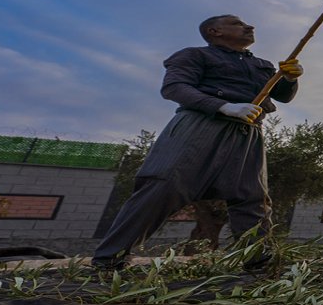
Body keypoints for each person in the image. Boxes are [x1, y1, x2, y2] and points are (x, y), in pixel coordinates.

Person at [91, 15, 303, 271]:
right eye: (236, 23)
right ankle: (109, 260)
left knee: (252, 197)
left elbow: (283, 96)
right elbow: (175, 88)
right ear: (215, 31)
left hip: (248, 133)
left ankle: (259, 264)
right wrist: (223, 106)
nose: (248, 26)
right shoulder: (194, 56)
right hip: (200, 126)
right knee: (163, 187)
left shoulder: (262, 64)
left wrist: (290, 78)